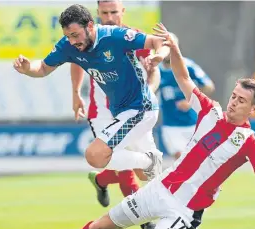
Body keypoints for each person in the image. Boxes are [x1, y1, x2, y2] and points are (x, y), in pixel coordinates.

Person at [33, 23, 255, 229]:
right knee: (99, 227)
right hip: (159, 188)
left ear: (254, 108)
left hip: (185, 210)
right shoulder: (211, 111)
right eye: (234, 96)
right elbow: (183, 77)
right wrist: (174, 48)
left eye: (241, 100)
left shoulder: (248, 141)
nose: (234, 102)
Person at [13, 5, 169, 184]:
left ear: (89, 25)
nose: (72, 41)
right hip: (122, 112)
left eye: (75, 35)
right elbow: (42, 68)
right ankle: (172, 204)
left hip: (141, 108)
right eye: (68, 36)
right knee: (147, 176)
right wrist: (27, 69)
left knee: (95, 155)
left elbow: (158, 41)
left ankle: (150, 161)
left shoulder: (114, 36)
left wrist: (160, 55)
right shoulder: (69, 45)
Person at [69, 0, 159, 229]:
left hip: (133, 108)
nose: (109, 17)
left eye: (114, 12)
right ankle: (147, 223)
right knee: (125, 165)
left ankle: (101, 179)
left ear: (123, 12)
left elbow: (155, 68)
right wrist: (76, 93)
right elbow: (75, 61)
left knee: (143, 172)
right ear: (97, 13)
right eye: (104, 13)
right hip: (103, 113)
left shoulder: (132, 37)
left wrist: (149, 89)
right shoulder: (87, 38)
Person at [158, 32, 215, 160]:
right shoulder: (156, 70)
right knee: (180, 159)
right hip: (170, 124)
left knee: (199, 161)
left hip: (192, 122)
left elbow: (208, 85)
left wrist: (190, 100)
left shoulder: (188, 65)